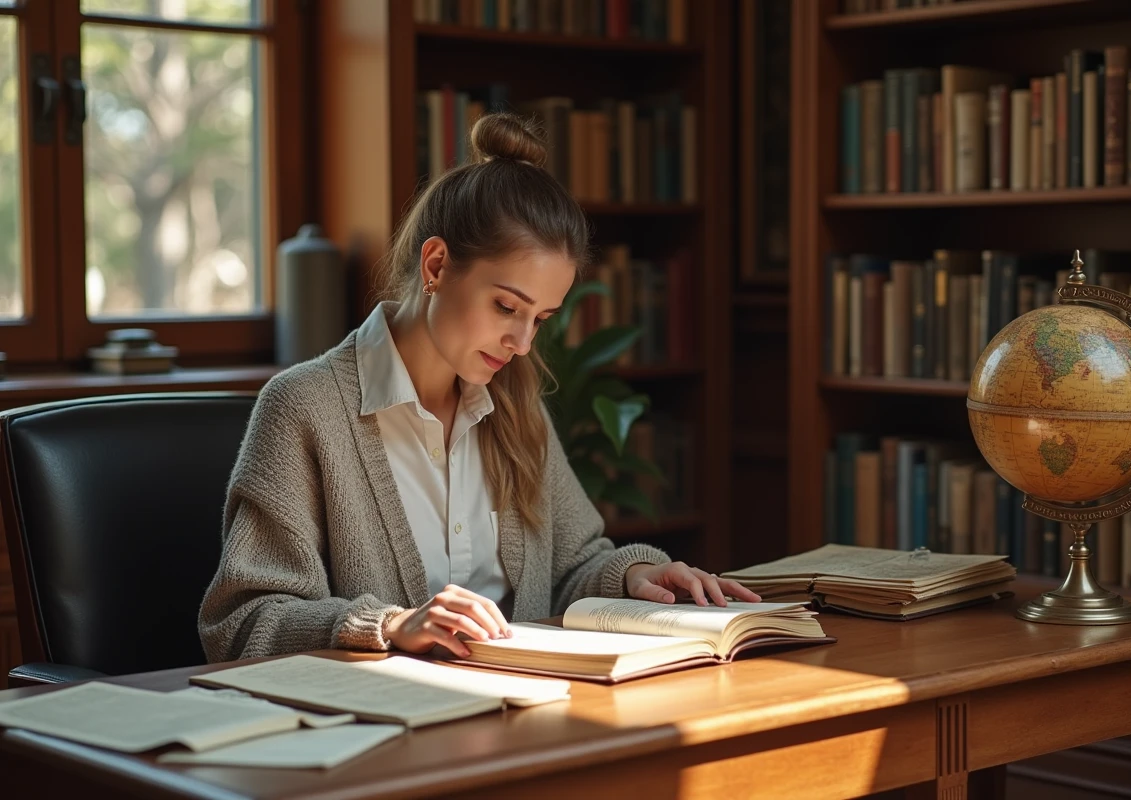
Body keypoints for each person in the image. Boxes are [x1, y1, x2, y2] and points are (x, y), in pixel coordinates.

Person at [198, 112, 758, 664]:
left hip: (520, 720)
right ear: (437, 265)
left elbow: (570, 568)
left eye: (540, 319)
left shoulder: (515, 403)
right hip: (381, 737)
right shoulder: (305, 409)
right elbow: (243, 621)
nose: (521, 342)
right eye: (506, 306)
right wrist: (389, 625)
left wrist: (633, 575)